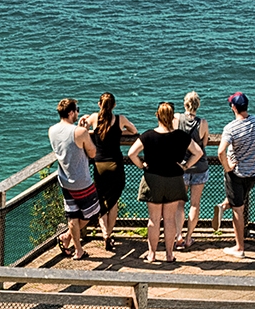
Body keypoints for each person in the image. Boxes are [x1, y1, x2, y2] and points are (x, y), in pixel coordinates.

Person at [130, 101, 192, 264]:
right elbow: (198, 152)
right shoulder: (181, 136)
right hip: (174, 180)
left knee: (154, 219)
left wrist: (141, 165)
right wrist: (185, 166)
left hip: (153, 179)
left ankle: (151, 254)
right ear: (172, 117)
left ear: (157, 115)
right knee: (170, 219)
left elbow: (132, 153)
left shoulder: (148, 135)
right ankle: (169, 254)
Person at [47, 98, 104, 258]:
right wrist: (84, 130)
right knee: (92, 212)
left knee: (72, 214)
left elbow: (67, 145)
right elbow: (92, 152)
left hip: (64, 179)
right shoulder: (80, 132)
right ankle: (69, 238)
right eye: (77, 109)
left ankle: (76, 247)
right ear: (71, 112)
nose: (78, 112)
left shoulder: (51, 130)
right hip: (82, 180)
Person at [214, 92, 255, 259]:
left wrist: (227, 167)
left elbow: (220, 151)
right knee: (240, 199)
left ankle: (239, 248)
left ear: (233, 107)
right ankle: (224, 206)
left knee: (238, 209)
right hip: (253, 173)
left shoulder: (230, 128)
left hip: (236, 173)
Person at [86, 93, 136, 254]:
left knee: (101, 201)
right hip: (115, 164)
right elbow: (134, 130)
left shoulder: (94, 118)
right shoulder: (120, 119)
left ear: (99, 104)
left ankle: (105, 234)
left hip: (99, 164)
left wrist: (85, 119)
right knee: (113, 202)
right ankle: (110, 233)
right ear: (114, 105)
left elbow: (82, 129)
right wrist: (121, 133)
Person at [178, 91, 214, 235]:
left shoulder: (177, 118)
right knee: (195, 204)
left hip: (182, 166)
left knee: (180, 204)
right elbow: (204, 143)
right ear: (197, 105)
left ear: (185, 104)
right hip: (200, 166)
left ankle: (178, 236)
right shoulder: (203, 123)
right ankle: (188, 237)